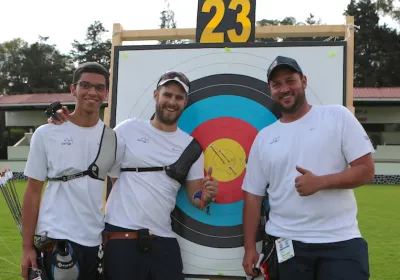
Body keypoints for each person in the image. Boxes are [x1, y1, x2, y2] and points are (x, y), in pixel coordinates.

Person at [48, 70, 219, 280]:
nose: (172, 101)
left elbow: (196, 198)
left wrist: (206, 195)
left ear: (185, 102)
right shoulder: (128, 129)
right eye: (167, 94)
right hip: (122, 239)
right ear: (156, 95)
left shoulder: (191, 147)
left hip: (164, 241)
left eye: (178, 97)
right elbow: (95, 156)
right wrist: (66, 122)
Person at [241, 56, 375, 280]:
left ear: (304, 81)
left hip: (340, 240)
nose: (284, 89)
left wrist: (322, 182)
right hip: (286, 243)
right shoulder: (264, 137)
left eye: (290, 81)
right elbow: (253, 196)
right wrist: (249, 248)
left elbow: (366, 170)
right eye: (277, 85)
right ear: (270, 90)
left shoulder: (337, 116)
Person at [21, 62, 118, 280]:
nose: (92, 92)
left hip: (94, 240)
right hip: (56, 237)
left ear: (106, 93)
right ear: (73, 89)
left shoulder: (112, 139)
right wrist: (27, 248)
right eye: (85, 85)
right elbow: (33, 191)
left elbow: (120, 186)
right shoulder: (46, 133)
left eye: (99, 88)